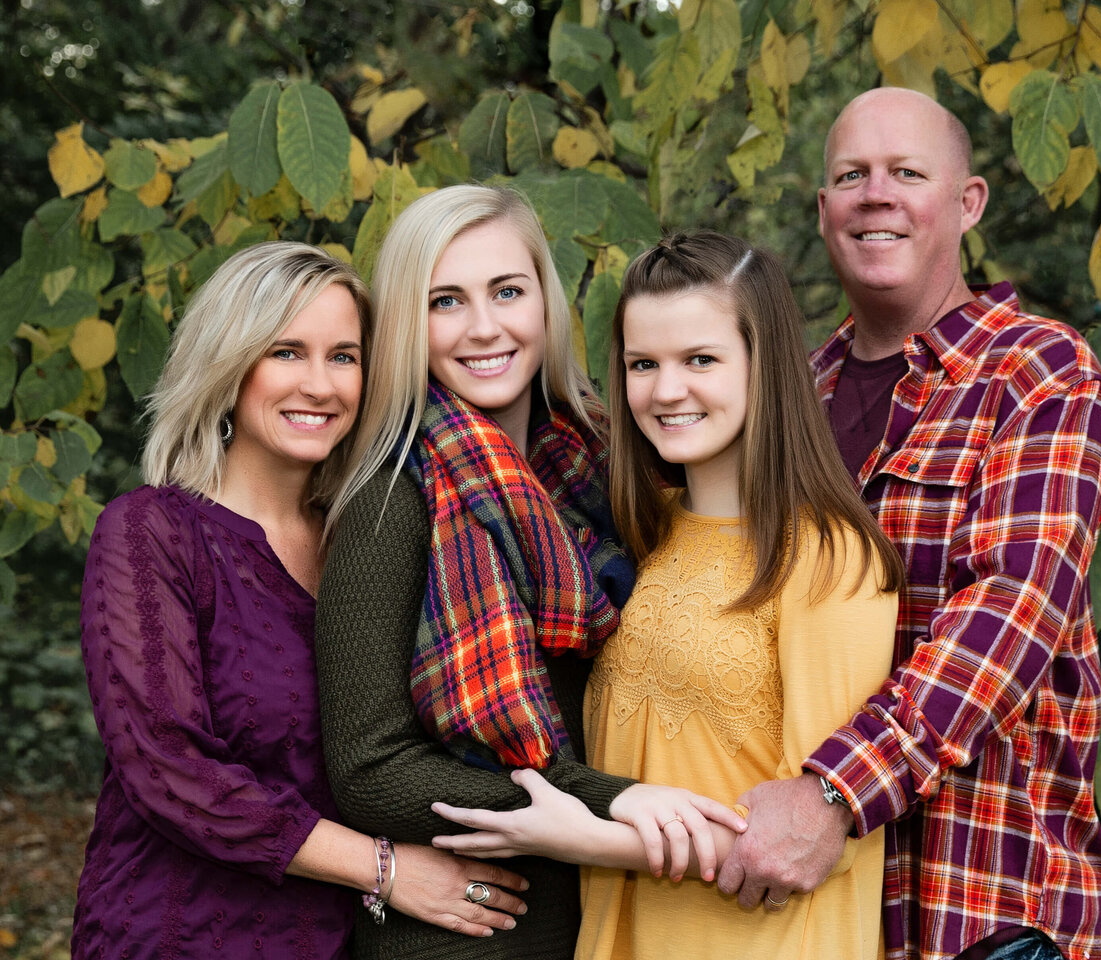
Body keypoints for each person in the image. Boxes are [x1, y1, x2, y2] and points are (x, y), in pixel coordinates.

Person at [715, 88, 1101, 960]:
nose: (877, 194)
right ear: (824, 210)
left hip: (974, 911)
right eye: (852, 175)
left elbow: (1010, 612)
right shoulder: (790, 390)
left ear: (967, 203)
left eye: (907, 172)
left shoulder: (1040, 373)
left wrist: (834, 795)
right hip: (808, 916)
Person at [429, 231, 905, 960]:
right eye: (643, 364)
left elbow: (808, 843)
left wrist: (582, 837)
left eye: (700, 360)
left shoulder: (826, 555)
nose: (666, 390)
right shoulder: (641, 543)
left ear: (765, 366)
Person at [314, 187, 740, 960]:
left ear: (546, 301)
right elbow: (371, 771)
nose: (485, 327)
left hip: (619, 914)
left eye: (508, 291)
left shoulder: (608, 466)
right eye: (447, 301)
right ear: (411, 321)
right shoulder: (390, 496)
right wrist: (610, 804)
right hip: (472, 932)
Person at [73, 242, 527, 960]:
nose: (320, 384)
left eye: (344, 357)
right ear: (230, 364)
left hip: (339, 941)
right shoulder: (152, 531)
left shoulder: (365, 539)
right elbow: (169, 769)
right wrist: (387, 869)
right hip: (179, 931)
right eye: (287, 352)